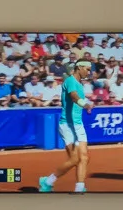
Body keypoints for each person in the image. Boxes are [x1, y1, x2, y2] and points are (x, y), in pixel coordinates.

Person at [40, 58, 93, 195]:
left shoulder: (80, 84)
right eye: (87, 69)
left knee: (84, 157)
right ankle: (47, 181)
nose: (89, 72)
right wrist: (85, 104)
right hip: (67, 125)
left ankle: (79, 188)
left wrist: (86, 105)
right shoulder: (70, 81)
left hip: (78, 124)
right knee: (75, 159)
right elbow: (74, 97)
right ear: (79, 67)